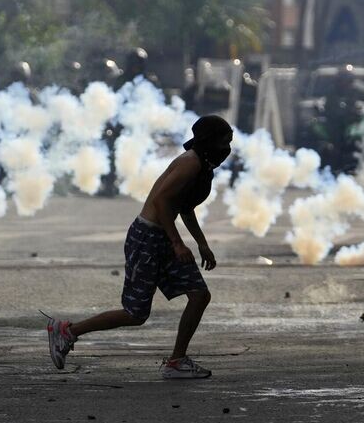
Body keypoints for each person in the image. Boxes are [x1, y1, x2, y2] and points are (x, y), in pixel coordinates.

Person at [43, 115, 232, 380]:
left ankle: (177, 361)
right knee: (135, 313)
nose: (227, 147)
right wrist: (178, 243)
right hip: (147, 237)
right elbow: (162, 203)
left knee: (199, 295)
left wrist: (202, 244)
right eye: (224, 141)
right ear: (209, 141)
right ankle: (67, 331)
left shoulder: (201, 166)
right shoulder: (189, 163)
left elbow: (185, 207)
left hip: (162, 236)